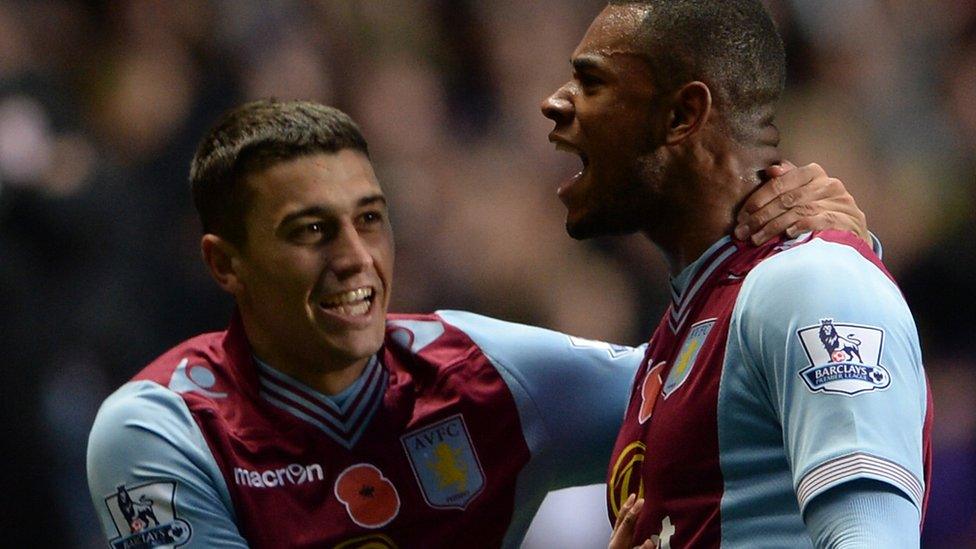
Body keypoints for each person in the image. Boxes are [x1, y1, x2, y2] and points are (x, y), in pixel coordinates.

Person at [87, 99, 868, 548]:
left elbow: (734, 387)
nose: (357, 258)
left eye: (370, 219)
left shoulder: (492, 377)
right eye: (311, 231)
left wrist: (821, 263)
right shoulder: (162, 431)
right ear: (225, 263)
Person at [540, 2, 931, 548]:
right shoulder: (684, 330)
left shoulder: (811, 282)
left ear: (682, 116)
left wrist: (844, 275)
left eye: (591, 81)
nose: (554, 101)